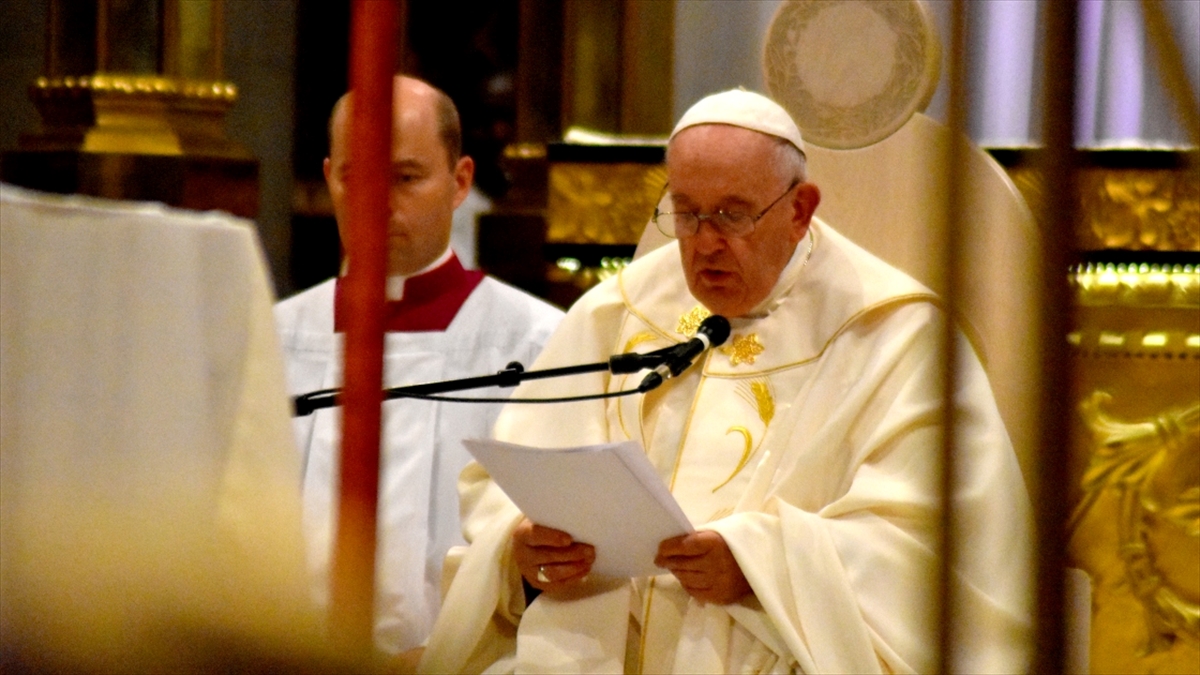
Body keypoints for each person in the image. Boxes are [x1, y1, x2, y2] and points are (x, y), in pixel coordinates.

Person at [419, 89, 1032, 674]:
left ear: (800, 210)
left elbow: (943, 555)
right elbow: (511, 489)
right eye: (685, 213)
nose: (704, 244)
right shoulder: (618, 313)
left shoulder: (894, 334)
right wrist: (521, 551)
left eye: (733, 215)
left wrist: (758, 565)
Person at [273, 76, 563, 655]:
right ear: (330, 178)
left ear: (459, 182)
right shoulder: (274, 336)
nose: (379, 202)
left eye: (405, 178)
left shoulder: (537, 343)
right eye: (357, 178)